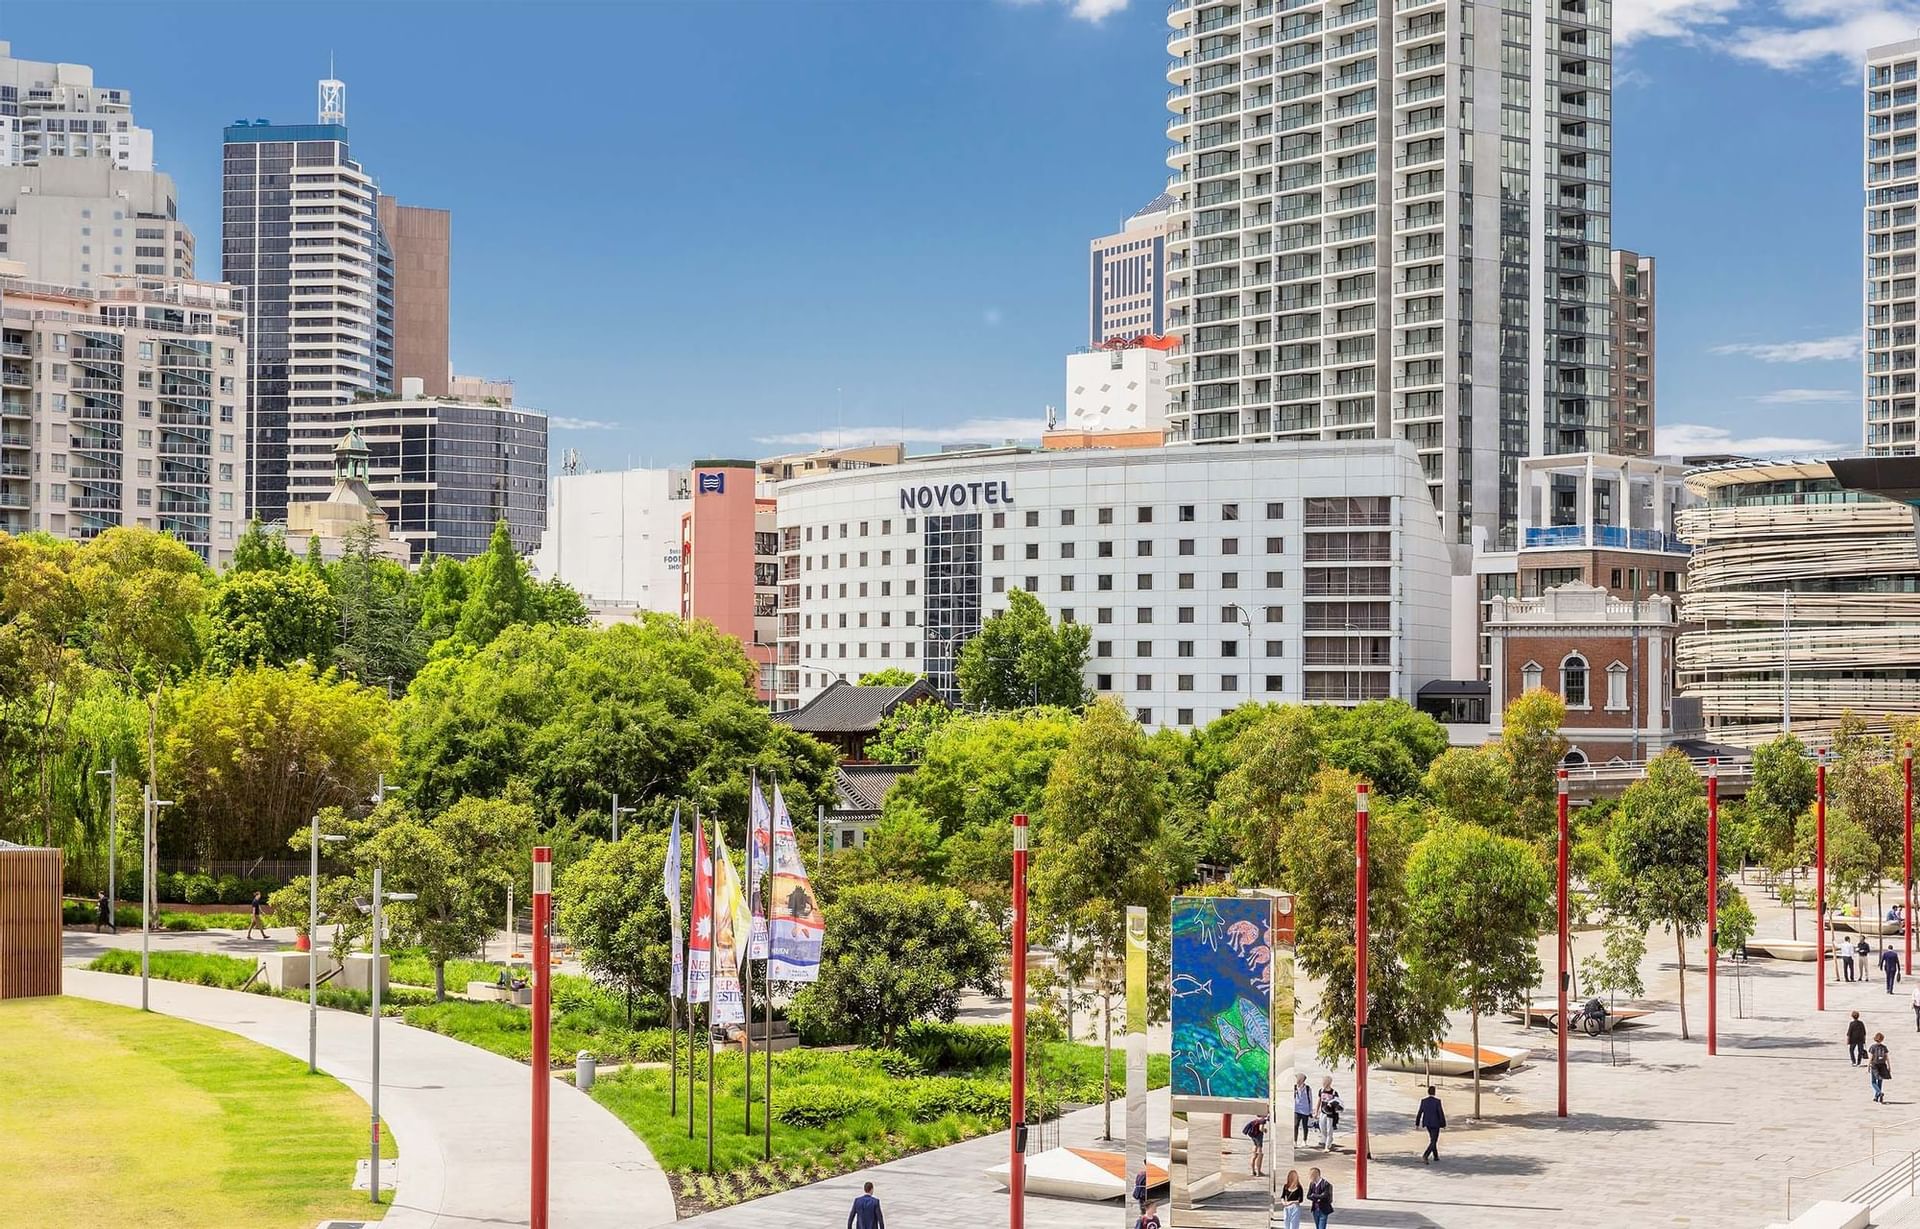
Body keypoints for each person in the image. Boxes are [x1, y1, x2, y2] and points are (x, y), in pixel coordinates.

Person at [1416, 1084, 1447, 1163]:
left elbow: (1420, 1112)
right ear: (1434, 1092)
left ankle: (1436, 1156)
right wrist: (1443, 1123)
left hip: (1427, 1123)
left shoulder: (1424, 1101)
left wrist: (1417, 1123)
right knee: (1434, 1140)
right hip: (1435, 1123)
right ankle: (1425, 1155)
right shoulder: (1437, 1101)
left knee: (1433, 1139)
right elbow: (1440, 1113)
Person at [1317, 1077, 1343, 1151]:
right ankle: (1327, 1139)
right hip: (1323, 1112)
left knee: (1329, 1129)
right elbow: (1319, 1101)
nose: (1323, 1083)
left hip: (1330, 1114)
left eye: (1324, 1082)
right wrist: (1316, 1112)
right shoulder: (1321, 1091)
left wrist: (1332, 1105)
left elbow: (1337, 1103)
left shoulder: (1334, 1092)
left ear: (1328, 1083)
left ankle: (1327, 1146)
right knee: (1322, 1128)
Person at [1292, 1073, 1315, 1146]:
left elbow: (1310, 1100)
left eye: (1298, 1078)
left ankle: (1304, 1140)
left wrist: (1310, 1111)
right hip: (1296, 1109)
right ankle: (1295, 1141)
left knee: (1305, 1126)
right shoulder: (1294, 1088)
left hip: (1305, 1110)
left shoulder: (1307, 1089)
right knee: (1295, 1125)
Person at [1870, 1032, 1892, 1103]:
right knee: (1880, 1081)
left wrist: (1868, 1065)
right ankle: (1877, 1097)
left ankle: (1879, 1093)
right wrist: (1889, 1066)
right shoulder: (1884, 1047)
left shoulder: (1873, 1047)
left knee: (1873, 1082)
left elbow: (1871, 1057)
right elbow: (1887, 1057)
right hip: (1882, 1065)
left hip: (1874, 1065)